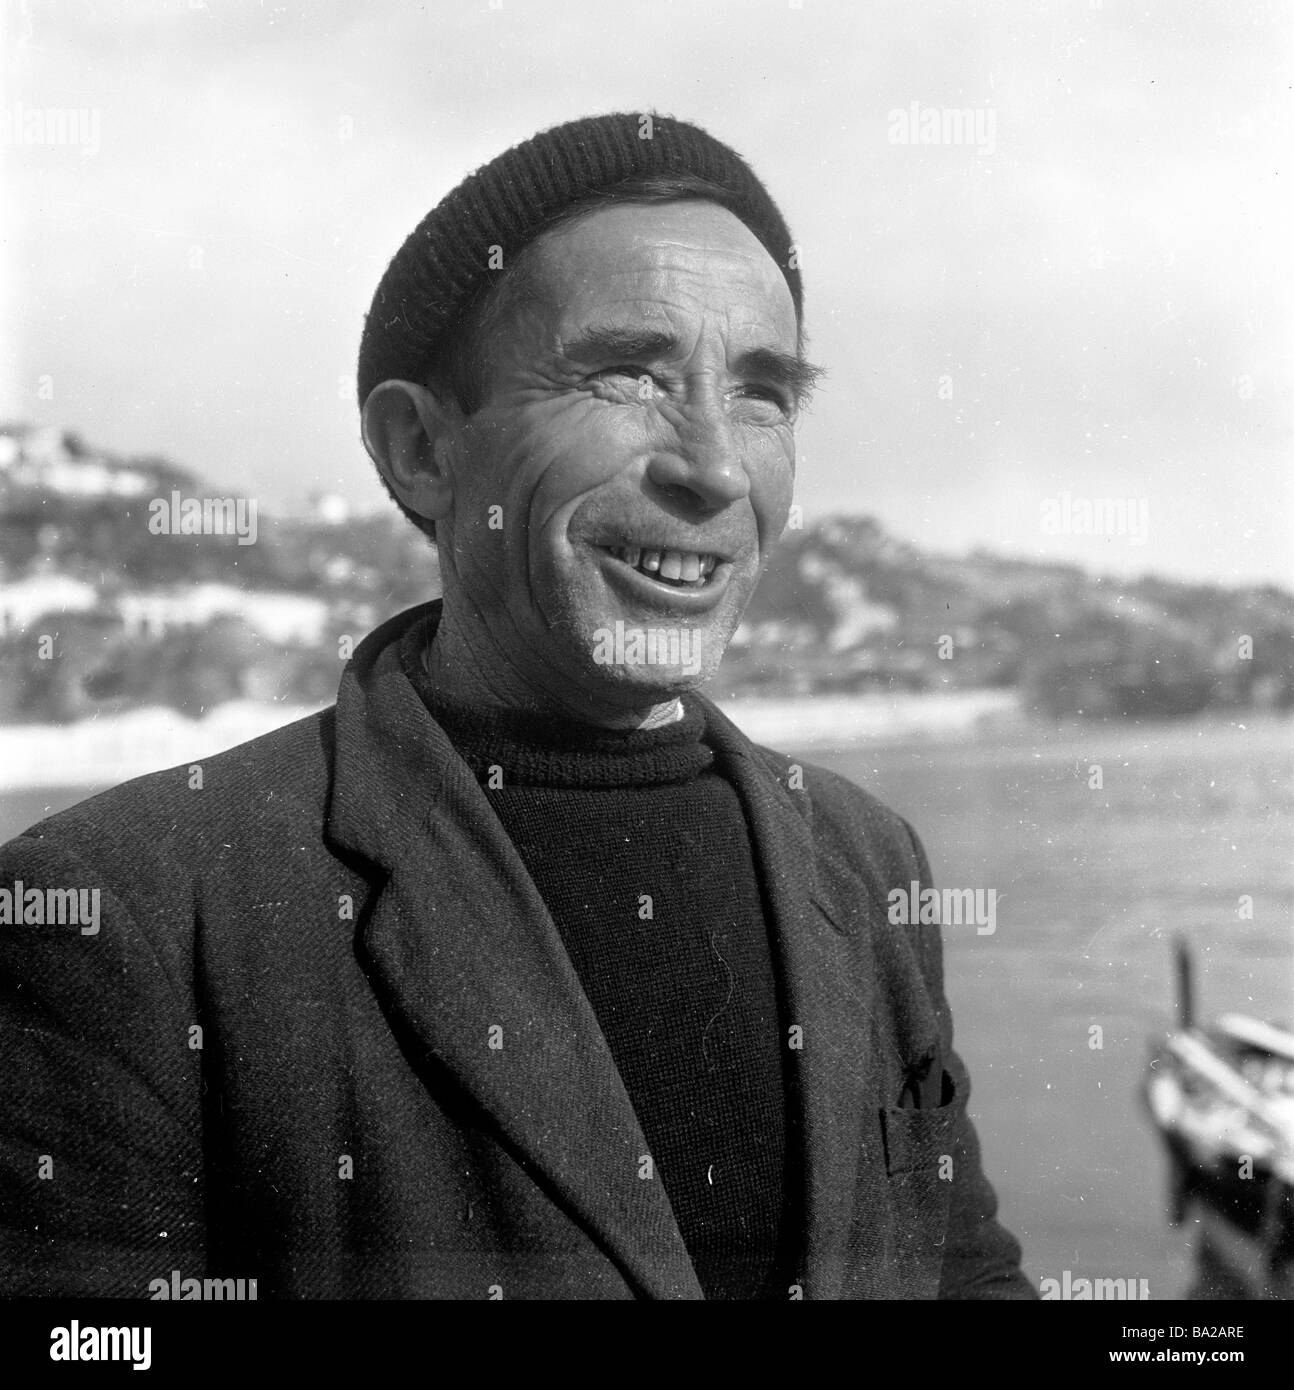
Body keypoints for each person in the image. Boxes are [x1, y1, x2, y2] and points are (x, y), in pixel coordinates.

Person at [0, 112, 1033, 1300]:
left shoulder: (864, 857)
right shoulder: (134, 919)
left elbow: (962, 1273)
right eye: (626, 374)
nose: (714, 465)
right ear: (420, 449)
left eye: (761, 392)